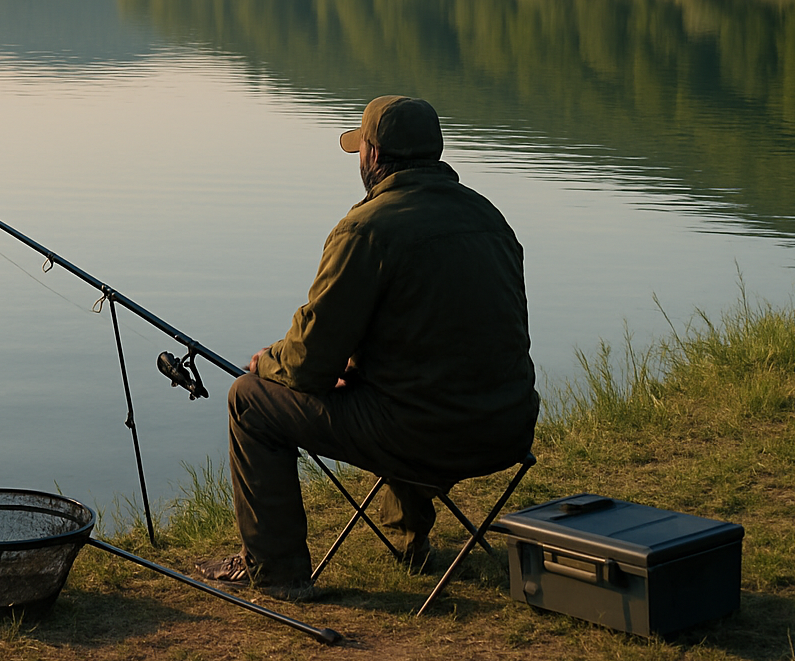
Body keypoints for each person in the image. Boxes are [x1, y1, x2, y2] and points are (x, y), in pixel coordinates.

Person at [195, 95, 539, 595]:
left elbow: (308, 365)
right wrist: (355, 364)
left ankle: (276, 573)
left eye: (361, 150)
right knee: (403, 380)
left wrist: (266, 362)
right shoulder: (489, 217)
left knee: (248, 400)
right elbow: (448, 334)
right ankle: (408, 544)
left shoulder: (366, 229)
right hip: (506, 427)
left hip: (425, 436)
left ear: (373, 156)